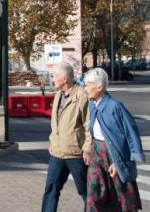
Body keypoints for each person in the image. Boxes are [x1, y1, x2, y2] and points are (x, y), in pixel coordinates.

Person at [83, 67, 144, 212]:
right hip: (97, 153)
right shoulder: (92, 104)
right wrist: (88, 149)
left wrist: (119, 162)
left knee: (122, 195)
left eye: (88, 85)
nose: (85, 89)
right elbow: (92, 131)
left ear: (99, 87)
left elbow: (131, 133)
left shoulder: (115, 106)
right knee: (93, 193)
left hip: (114, 153)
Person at [41, 63, 92, 212]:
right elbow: (56, 122)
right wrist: (53, 141)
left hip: (75, 153)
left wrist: (87, 149)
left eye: (55, 76)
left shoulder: (82, 95)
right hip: (57, 152)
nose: (53, 79)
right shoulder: (58, 95)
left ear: (64, 79)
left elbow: (89, 125)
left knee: (85, 190)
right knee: (51, 188)